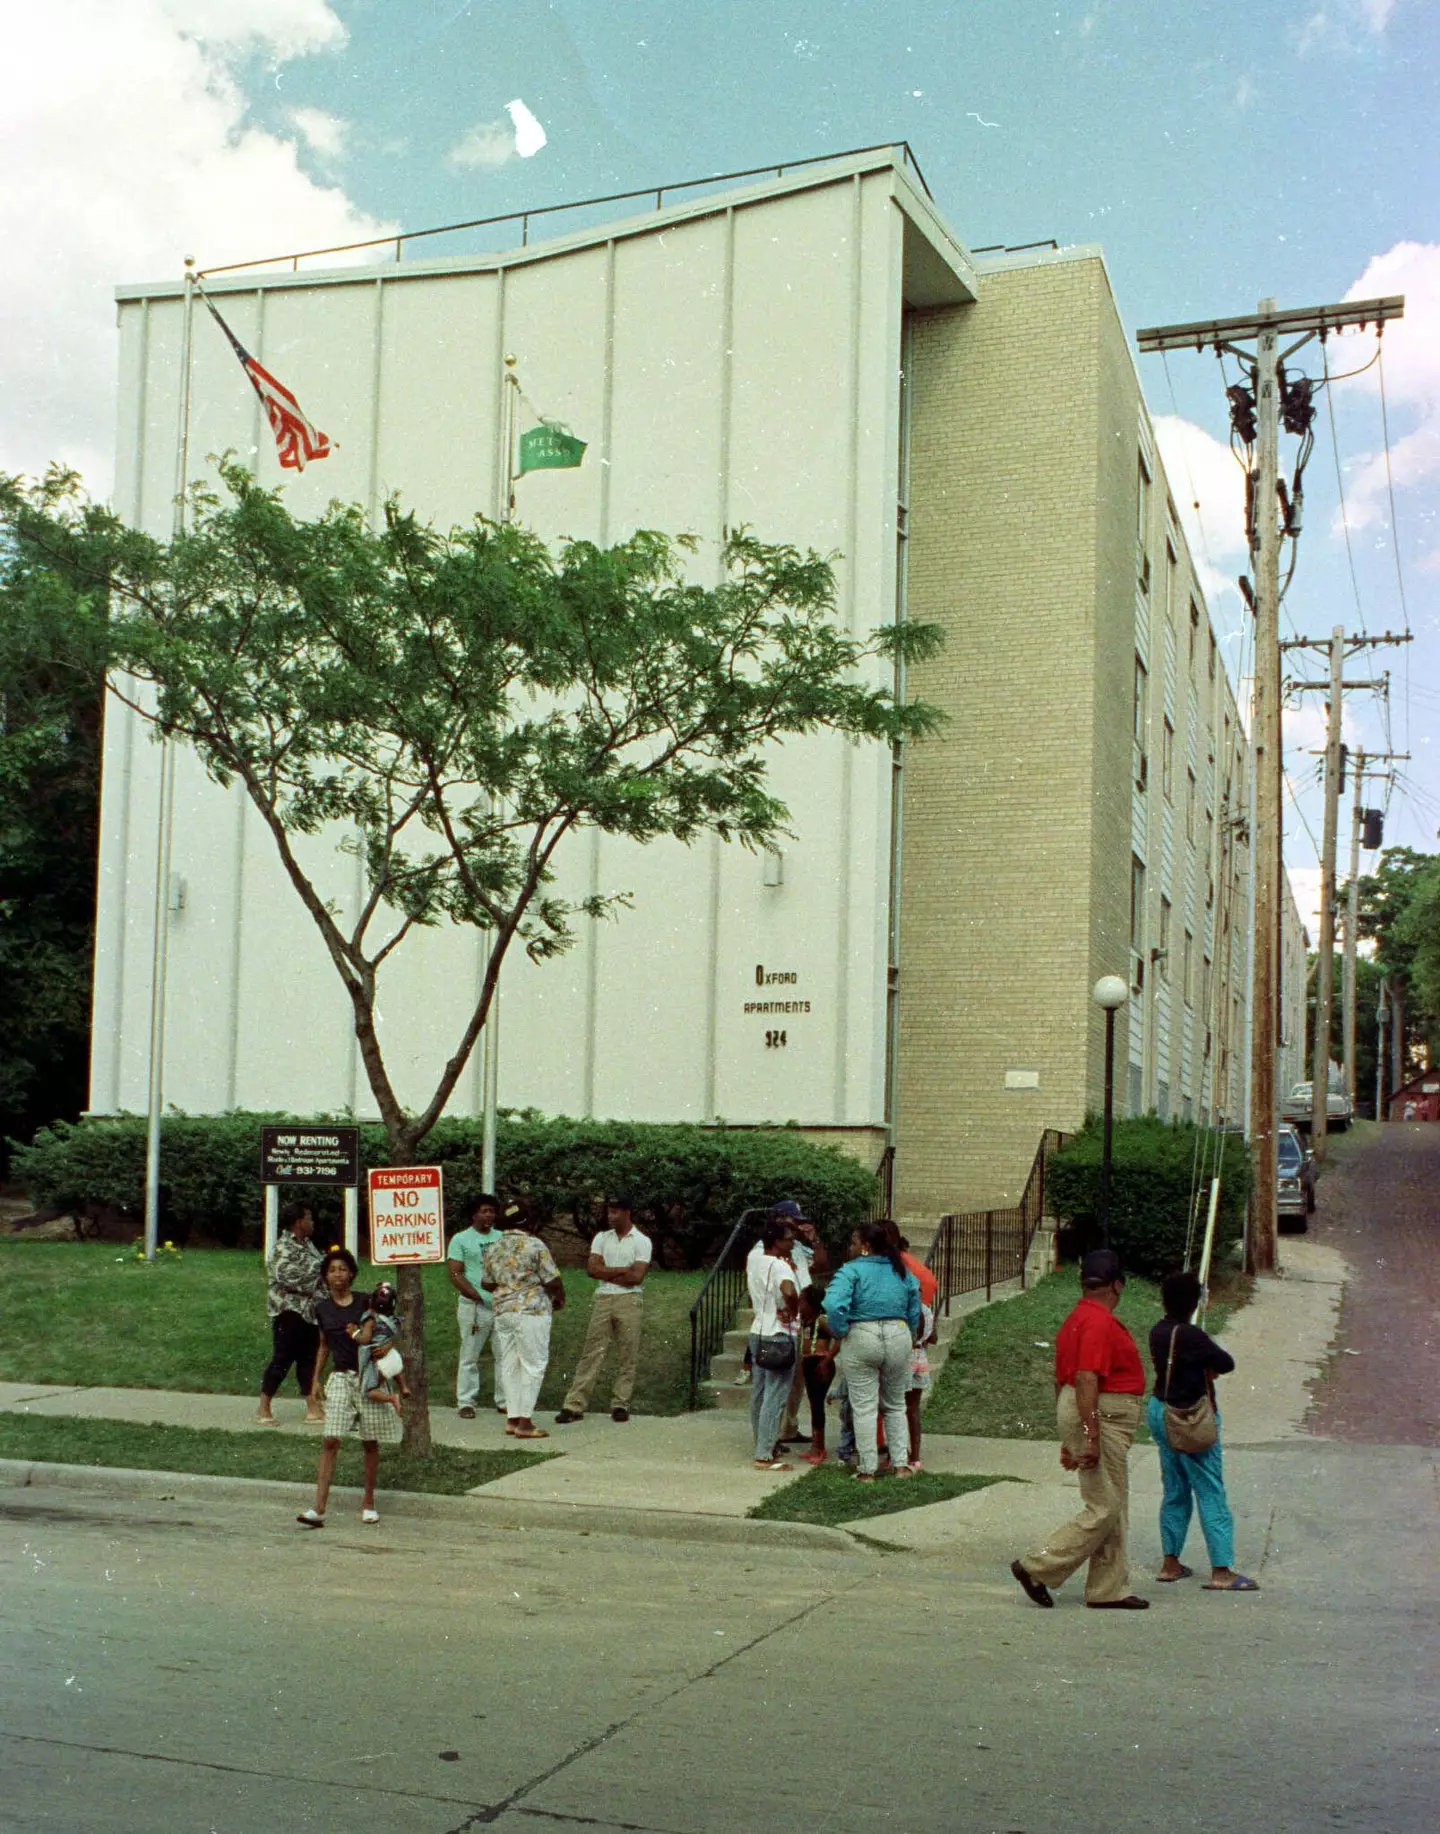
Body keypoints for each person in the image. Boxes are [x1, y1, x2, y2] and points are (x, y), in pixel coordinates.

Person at [1010, 1248, 1149, 1609]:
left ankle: (1108, 1589)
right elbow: (1086, 1379)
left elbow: (1063, 1384)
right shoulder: (1099, 1322)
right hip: (1102, 1414)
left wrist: (1070, 1434)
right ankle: (1036, 1567)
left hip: (1082, 1410)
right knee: (1105, 1506)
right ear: (1117, 1285)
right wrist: (1090, 1434)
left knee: (1112, 1501)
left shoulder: (1076, 1318)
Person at [1149, 1269, 1259, 1592]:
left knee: (1174, 1487)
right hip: (1191, 1419)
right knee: (1210, 1489)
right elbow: (1225, 1362)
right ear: (1195, 1303)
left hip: (1160, 1411)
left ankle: (1170, 1562)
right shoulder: (1193, 1336)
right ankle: (1222, 1569)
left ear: (1164, 1300)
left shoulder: (1158, 1331)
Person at [297, 1249, 402, 1529]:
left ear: (352, 1274)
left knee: (370, 1441)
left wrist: (389, 1345)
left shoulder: (366, 1302)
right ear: (325, 1276)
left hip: (368, 1375)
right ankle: (318, 1508)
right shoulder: (323, 1308)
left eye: (343, 1269)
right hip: (341, 1377)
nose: (338, 1275)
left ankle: (369, 1504)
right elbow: (323, 1345)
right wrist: (315, 1379)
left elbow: (388, 1328)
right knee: (330, 1438)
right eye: (332, 1270)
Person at [823, 1221, 922, 1482]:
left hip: (861, 1333)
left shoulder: (851, 1271)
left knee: (864, 1406)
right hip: (898, 1332)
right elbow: (915, 1302)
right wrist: (909, 1332)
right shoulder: (900, 1270)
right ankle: (900, 1464)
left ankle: (867, 1469)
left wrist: (840, 1330)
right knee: (895, 1404)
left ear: (866, 1247)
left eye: (854, 1243)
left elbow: (833, 1304)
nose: (851, 1247)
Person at [556, 1193, 652, 1424]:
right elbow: (592, 1269)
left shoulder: (642, 1241)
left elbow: (636, 1277)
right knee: (592, 1351)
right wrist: (622, 1271)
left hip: (629, 1300)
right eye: (609, 1211)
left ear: (627, 1213)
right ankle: (574, 1405)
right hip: (603, 1299)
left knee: (627, 1353)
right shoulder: (601, 1238)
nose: (611, 1216)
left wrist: (607, 1271)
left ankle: (621, 1403)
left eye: (616, 1212)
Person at [483, 1204, 566, 1440]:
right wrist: (559, 1299)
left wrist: (507, 1282)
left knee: (510, 1364)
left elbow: (487, 1283)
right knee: (534, 1364)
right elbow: (552, 1279)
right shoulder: (534, 1244)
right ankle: (526, 1423)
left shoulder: (494, 1247)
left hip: (502, 1311)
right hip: (531, 1310)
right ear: (526, 1221)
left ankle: (512, 1418)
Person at [257, 1201, 326, 1425]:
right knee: (283, 1358)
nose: (312, 1222)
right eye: (309, 1218)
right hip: (289, 1311)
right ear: (299, 1222)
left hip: (310, 1312)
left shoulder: (308, 1245)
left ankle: (312, 1407)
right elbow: (288, 1277)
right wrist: (320, 1273)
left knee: (309, 1358)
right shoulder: (282, 1248)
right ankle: (263, 1408)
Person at [771, 1199, 828, 1447]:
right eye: (793, 1220)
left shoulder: (796, 1248)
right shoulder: (768, 1250)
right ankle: (773, 1432)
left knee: (797, 1379)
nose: (798, 1225)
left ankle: (789, 1428)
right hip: (782, 1319)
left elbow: (822, 1265)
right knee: (780, 1379)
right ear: (780, 1219)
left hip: (800, 1319)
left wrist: (814, 1238)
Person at [747, 1216, 801, 1471]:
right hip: (779, 1333)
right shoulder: (781, 1267)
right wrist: (793, 1309)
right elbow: (789, 1292)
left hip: (758, 1330)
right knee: (776, 1394)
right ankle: (764, 1454)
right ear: (777, 1242)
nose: (793, 1244)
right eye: (789, 1240)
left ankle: (762, 1443)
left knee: (759, 1392)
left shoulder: (754, 1258)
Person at [447, 1193, 506, 1419]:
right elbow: (455, 1273)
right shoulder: (461, 1239)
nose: (489, 1215)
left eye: (492, 1211)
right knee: (470, 1355)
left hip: (501, 1306)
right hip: (473, 1306)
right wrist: (477, 1295)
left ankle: (504, 1401)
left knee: (504, 1355)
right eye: (484, 1211)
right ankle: (466, 1402)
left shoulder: (502, 1237)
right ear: (474, 1214)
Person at [897, 1232, 939, 1472]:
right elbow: (933, 1337)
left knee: (896, 1408)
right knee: (913, 1410)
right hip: (920, 1359)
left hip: (905, 1357)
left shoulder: (909, 1309)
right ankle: (916, 1455)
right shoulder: (927, 1310)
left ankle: (899, 1452)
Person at [797, 1284, 837, 1464]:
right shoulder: (806, 1320)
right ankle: (816, 1444)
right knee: (814, 1403)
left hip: (819, 1362)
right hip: (808, 1362)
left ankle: (819, 1447)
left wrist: (828, 1359)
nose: (799, 1305)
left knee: (817, 1403)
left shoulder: (822, 1319)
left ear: (812, 1302)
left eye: (802, 1301)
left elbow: (839, 1338)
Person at [356, 1280, 408, 1417]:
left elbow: (365, 1339)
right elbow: (399, 1334)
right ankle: (403, 1386)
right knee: (398, 1372)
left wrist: (354, 1333)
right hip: (392, 1355)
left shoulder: (370, 1320)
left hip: (375, 1356)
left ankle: (391, 1398)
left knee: (368, 1390)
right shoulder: (395, 1320)